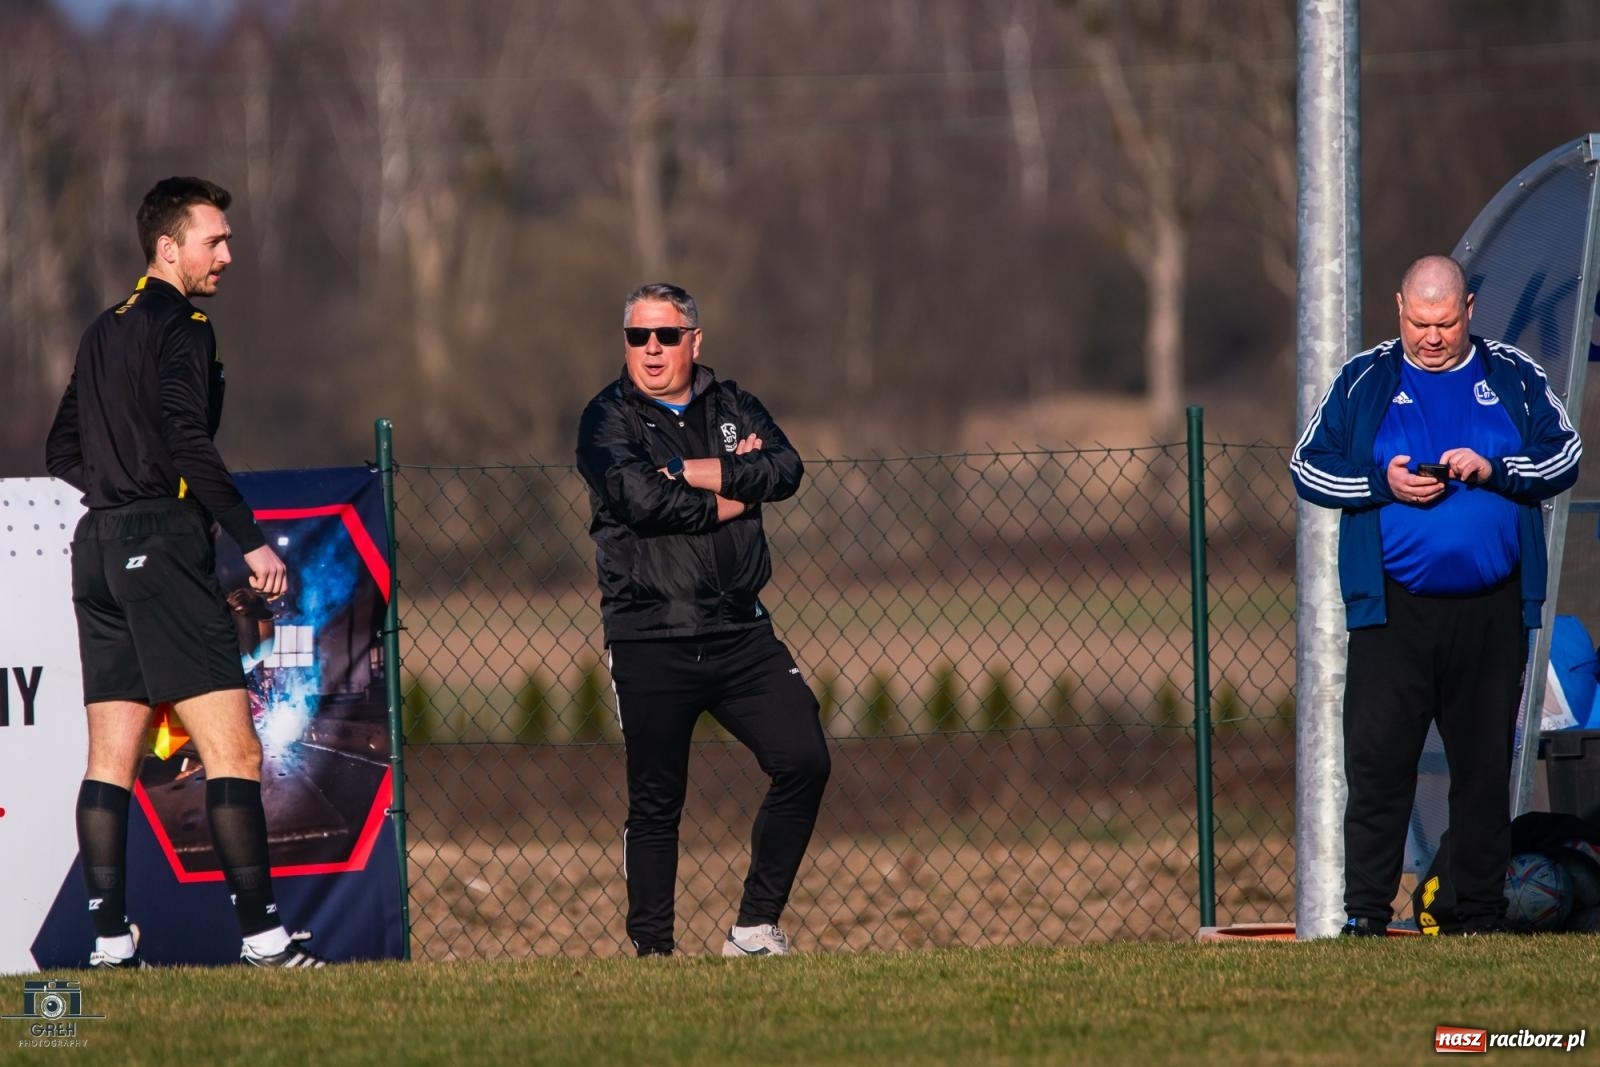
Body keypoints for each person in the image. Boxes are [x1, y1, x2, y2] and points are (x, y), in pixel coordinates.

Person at [44, 176, 327, 968]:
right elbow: (185, 439)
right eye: (216, 240)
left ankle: (107, 943)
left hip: (97, 548)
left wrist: (115, 493)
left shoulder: (104, 328)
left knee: (111, 762)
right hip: (162, 544)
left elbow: (60, 449)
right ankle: (265, 939)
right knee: (234, 754)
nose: (228, 255)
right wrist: (251, 539)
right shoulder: (185, 326)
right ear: (168, 248)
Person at [1290, 254, 1581, 936]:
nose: (1432, 336)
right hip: (1394, 611)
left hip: (1491, 609)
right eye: (1420, 322)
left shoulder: (1512, 374)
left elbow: (1563, 455)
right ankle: (1365, 913)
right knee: (1379, 763)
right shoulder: (1365, 379)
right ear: (1399, 308)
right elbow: (1308, 466)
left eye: (1446, 322)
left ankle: (1478, 913)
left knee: (1482, 769)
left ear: (1468, 311)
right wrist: (1379, 482)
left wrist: (1497, 469)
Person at [575, 282, 832, 957]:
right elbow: (640, 499)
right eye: (638, 336)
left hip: (741, 634)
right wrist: (732, 492)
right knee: (657, 803)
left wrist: (690, 468)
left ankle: (754, 928)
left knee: (804, 757)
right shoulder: (606, 419)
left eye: (666, 335)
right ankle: (653, 952)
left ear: (695, 340)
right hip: (648, 635)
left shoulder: (732, 403)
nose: (652, 349)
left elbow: (785, 467)